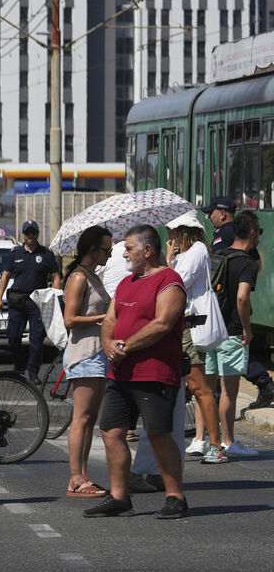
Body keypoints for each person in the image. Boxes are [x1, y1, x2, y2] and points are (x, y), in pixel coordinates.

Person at [85, 224, 188, 519]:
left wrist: (124, 346)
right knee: (111, 432)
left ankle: (175, 497)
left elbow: (162, 324)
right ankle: (119, 497)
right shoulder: (126, 283)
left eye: (129, 248)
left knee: (158, 435)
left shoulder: (170, 281)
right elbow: (110, 319)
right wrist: (108, 344)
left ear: (148, 250)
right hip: (120, 372)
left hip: (154, 371)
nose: (124, 253)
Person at [166, 213, 227, 465]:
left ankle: (216, 445)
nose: (170, 237)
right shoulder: (186, 254)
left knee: (200, 387)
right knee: (193, 387)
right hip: (181, 324)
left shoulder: (198, 250)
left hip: (189, 325)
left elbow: (176, 282)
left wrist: (169, 259)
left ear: (184, 232)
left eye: (173, 232)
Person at [60, 225, 113, 499]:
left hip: (97, 353)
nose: (110, 253)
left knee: (90, 418)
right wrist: (101, 318)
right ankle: (76, 478)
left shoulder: (93, 275)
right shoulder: (79, 277)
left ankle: (82, 476)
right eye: (107, 249)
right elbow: (70, 320)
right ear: (93, 249)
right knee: (81, 419)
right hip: (84, 354)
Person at [204, 210, 261, 459]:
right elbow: (242, 296)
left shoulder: (219, 255)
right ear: (251, 233)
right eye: (258, 233)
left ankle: (206, 440)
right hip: (232, 333)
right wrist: (247, 328)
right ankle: (227, 441)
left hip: (212, 330)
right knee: (228, 391)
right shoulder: (247, 262)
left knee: (207, 389)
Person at [0, 219, 61, 382]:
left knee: (36, 338)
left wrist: (56, 295)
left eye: (34, 232)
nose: (31, 235)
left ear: (37, 234)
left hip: (38, 301)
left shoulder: (46, 254)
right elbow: (5, 276)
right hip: (17, 300)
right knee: (13, 336)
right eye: (28, 232)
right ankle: (19, 365)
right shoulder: (15, 253)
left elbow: (56, 276)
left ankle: (33, 372)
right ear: (23, 234)